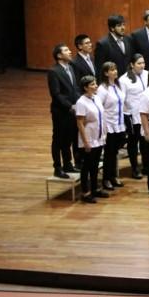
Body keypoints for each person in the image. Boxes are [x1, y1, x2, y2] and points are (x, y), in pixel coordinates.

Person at [48, 43, 81, 178]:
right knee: (59, 139)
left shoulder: (71, 68)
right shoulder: (54, 71)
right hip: (61, 111)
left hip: (73, 110)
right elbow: (56, 94)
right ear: (59, 55)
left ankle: (68, 164)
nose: (70, 52)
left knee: (70, 138)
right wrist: (69, 106)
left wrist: (79, 102)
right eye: (66, 50)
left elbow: (75, 89)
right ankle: (58, 167)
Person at [75, 75, 108, 204]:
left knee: (95, 166)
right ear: (85, 87)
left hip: (98, 137)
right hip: (88, 139)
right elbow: (80, 123)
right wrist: (86, 141)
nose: (96, 86)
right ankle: (85, 192)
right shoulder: (81, 102)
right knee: (87, 167)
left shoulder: (97, 98)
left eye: (95, 83)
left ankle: (95, 189)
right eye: (92, 84)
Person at [97, 61, 126, 191]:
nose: (115, 71)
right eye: (111, 70)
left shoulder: (118, 85)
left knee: (115, 152)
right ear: (105, 73)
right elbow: (100, 108)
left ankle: (113, 176)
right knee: (109, 153)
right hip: (109, 125)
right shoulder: (102, 89)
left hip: (119, 124)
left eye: (115, 69)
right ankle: (106, 179)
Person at [119, 54, 148, 179]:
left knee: (145, 142)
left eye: (143, 63)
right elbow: (122, 99)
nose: (142, 65)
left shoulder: (147, 74)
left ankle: (146, 165)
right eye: (139, 63)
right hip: (132, 116)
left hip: (146, 114)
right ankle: (135, 168)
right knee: (133, 142)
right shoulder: (124, 80)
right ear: (132, 65)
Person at [95, 14, 134, 78]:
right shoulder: (103, 44)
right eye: (119, 26)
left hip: (128, 80)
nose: (123, 28)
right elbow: (100, 68)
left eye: (123, 25)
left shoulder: (128, 39)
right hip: (113, 80)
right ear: (112, 28)